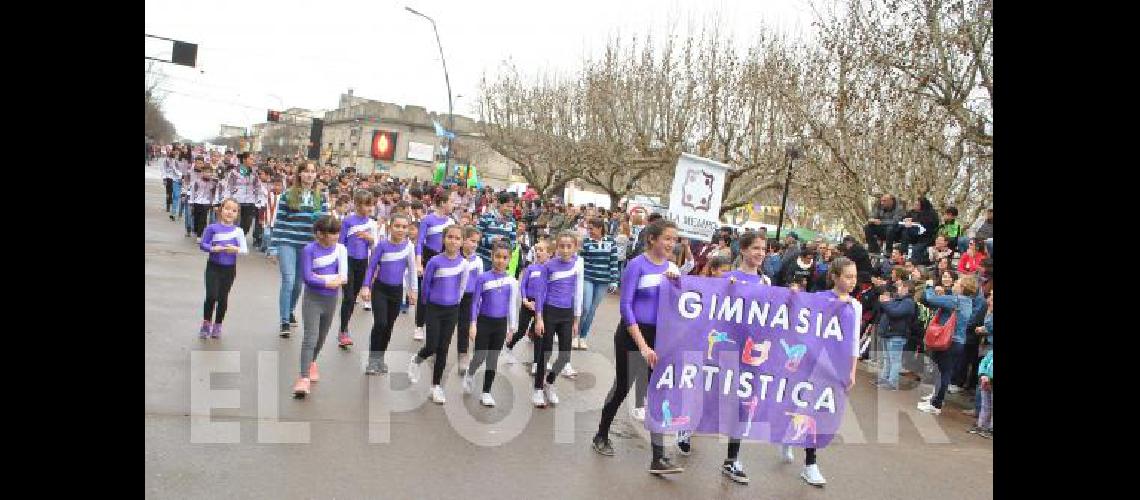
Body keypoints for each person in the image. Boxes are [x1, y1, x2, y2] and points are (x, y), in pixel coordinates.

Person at [675, 231, 770, 484]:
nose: (760, 253)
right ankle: (687, 426)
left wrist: (792, 299)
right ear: (744, 250)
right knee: (708, 392)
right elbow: (704, 302)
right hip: (722, 349)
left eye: (764, 249)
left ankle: (731, 459)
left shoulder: (767, 283)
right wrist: (675, 279)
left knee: (742, 403)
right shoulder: (726, 279)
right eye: (756, 248)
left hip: (748, 353)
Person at [592, 219, 685, 475]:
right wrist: (643, 346)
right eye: (666, 238)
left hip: (659, 336)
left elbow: (680, 307)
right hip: (632, 335)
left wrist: (677, 285)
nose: (671, 243)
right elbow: (626, 307)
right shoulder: (636, 265)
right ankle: (601, 435)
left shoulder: (673, 268)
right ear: (652, 239)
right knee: (623, 387)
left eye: (674, 239)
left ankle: (658, 457)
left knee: (656, 393)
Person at [408, 225, 470, 404]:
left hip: (451, 310)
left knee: (443, 348)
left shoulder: (464, 264)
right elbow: (425, 287)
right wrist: (426, 308)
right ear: (444, 239)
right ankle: (417, 360)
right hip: (433, 308)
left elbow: (462, 287)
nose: (453, 241)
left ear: (462, 242)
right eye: (450, 237)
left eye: (457, 238)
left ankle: (436, 386)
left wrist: (454, 304)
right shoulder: (434, 262)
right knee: (432, 346)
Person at [269, 161, 329, 338]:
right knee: (288, 280)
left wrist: (325, 244)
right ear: (300, 174)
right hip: (287, 242)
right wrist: (273, 247)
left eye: (312, 172)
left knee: (298, 284)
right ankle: (284, 320)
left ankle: (290, 310)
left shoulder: (321, 197)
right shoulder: (288, 195)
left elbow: (324, 224)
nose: (309, 175)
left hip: (308, 246)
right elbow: (279, 222)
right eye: (306, 172)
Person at [291, 215, 348, 398]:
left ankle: (312, 361)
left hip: (331, 300)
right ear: (319, 234)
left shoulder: (341, 250)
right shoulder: (309, 250)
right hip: (312, 299)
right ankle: (303, 378)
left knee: (321, 337)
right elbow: (307, 277)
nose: (335, 237)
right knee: (310, 337)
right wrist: (327, 282)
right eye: (331, 233)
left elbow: (343, 276)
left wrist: (323, 279)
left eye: (337, 233)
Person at [462, 241, 521, 407]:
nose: (500, 261)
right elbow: (474, 303)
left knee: (493, 359)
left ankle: (486, 392)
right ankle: (470, 372)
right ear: (492, 256)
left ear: (509, 260)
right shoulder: (483, 278)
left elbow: (511, 305)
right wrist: (472, 324)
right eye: (497, 256)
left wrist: (512, 328)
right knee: (480, 356)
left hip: (500, 324)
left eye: (504, 258)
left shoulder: (511, 281)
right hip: (484, 322)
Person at [359, 213, 419, 374]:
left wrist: (413, 291)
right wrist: (366, 286)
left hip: (397, 291)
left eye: (404, 227)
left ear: (408, 229)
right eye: (397, 226)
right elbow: (371, 266)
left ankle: (380, 359)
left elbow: (412, 270)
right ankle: (372, 360)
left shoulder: (409, 247)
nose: (400, 229)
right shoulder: (382, 245)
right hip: (380, 289)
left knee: (389, 326)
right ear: (390, 227)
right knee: (380, 323)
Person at [532, 230, 585, 407]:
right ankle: (538, 389)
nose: (565, 250)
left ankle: (549, 383)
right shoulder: (548, 266)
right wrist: (538, 318)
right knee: (544, 353)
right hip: (549, 312)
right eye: (562, 246)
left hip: (567, 314)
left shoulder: (578, 265)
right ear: (556, 247)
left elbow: (578, 293)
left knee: (564, 356)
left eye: (569, 246)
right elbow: (540, 292)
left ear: (575, 247)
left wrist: (577, 319)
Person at [917, 274, 977, 415]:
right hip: (958, 342)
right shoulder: (968, 302)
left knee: (942, 373)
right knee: (944, 372)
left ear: (962, 287)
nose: (955, 284)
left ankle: (936, 405)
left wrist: (930, 286)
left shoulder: (957, 300)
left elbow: (930, 298)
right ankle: (936, 400)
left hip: (949, 341)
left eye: (957, 282)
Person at [197, 198, 249, 339]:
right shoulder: (212, 228)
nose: (230, 212)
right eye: (227, 208)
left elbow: (244, 249)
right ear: (221, 210)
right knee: (211, 295)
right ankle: (206, 323)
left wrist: (235, 249)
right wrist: (214, 248)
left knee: (222, 298)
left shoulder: (238, 231)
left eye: (234, 210)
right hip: (213, 267)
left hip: (229, 269)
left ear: (237, 214)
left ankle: (218, 325)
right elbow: (203, 245)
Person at [335, 190, 379, 349]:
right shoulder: (348, 221)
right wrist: (338, 265)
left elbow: (376, 246)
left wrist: (369, 238)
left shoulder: (372, 224)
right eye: (367, 204)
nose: (369, 207)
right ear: (358, 205)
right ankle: (343, 331)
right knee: (348, 297)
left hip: (362, 263)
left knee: (353, 297)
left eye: (371, 204)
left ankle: (344, 326)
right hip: (348, 261)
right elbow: (340, 244)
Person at [413, 193, 456, 341]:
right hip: (428, 257)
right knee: (424, 292)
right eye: (451, 201)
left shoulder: (451, 222)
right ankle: (419, 325)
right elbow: (419, 242)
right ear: (443, 202)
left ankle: (435, 323)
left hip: (444, 259)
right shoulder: (428, 219)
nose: (453, 205)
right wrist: (419, 263)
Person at [502, 239, 551, 364]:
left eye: (541, 250)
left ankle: (536, 363)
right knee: (522, 331)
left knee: (538, 334)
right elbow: (523, 285)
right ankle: (508, 346)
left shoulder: (550, 270)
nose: (538, 253)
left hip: (542, 305)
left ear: (549, 253)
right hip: (528, 303)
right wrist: (525, 300)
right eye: (536, 250)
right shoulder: (531, 268)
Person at [577, 218, 620, 351]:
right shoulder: (586, 242)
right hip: (588, 277)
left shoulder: (611, 242)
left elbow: (613, 262)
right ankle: (574, 334)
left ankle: (583, 337)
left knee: (592, 310)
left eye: (591, 228)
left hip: (603, 280)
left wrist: (614, 280)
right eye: (588, 228)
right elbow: (580, 260)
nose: (589, 231)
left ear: (600, 228)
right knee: (585, 307)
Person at [456, 226, 485, 376]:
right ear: (463, 240)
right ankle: (437, 349)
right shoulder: (455, 257)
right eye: (471, 241)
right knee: (447, 327)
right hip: (453, 297)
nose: (474, 244)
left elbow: (480, 282)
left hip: (469, 297)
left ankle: (462, 355)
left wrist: (479, 301)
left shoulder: (478, 261)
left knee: (464, 327)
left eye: (477, 242)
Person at [876, 281, 916, 390]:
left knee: (894, 360)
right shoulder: (897, 300)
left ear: (906, 289)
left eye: (900, 286)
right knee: (887, 358)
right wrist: (885, 303)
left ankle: (892, 382)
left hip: (897, 334)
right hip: (889, 333)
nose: (898, 288)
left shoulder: (908, 302)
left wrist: (885, 303)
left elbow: (895, 313)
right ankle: (885, 378)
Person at [223, 152, 266, 235]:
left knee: (247, 224)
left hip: (250, 202)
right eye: (251, 159)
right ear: (244, 160)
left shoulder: (254, 173)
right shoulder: (234, 172)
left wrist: (260, 199)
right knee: (235, 223)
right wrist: (227, 200)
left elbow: (258, 187)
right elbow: (228, 187)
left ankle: (242, 239)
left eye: (253, 159)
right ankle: (233, 239)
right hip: (237, 201)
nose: (253, 161)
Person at [477, 192, 518, 272]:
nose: (510, 209)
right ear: (499, 204)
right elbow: (476, 238)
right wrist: (491, 240)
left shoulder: (512, 222)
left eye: (512, 207)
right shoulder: (486, 217)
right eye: (508, 206)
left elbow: (513, 243)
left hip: (501, 265)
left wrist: (506, 244)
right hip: (485, 262)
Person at [188, 161, 221, 241]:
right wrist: (191, 202)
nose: (207, 174)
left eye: (209, 172)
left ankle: (200, 235)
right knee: (196, 218)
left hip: (207, 203)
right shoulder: (196, 181)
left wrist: (215, 203)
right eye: (205, 172)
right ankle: (196, 230)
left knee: (203, 219)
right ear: (202, 172)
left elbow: (216, 193)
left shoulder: (214, 182)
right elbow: (192, 191)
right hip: (197, 202)